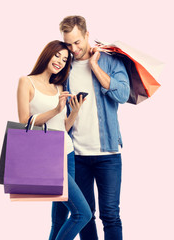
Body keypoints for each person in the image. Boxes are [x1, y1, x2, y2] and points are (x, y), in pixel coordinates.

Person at [59, 15, 130, 240]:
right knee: (85, 215)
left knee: (110, 215)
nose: (73, 49)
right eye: (68, 44)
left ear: (87, 35)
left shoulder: (109, 61)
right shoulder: (65, 67)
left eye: (77, 42)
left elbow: (123, 94)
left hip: (108, 154)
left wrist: (94, 67)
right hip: (76, 155)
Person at [16, 40, 92, 240]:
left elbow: (62, 127)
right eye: (57, 55)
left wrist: (73, 112)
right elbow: (25, 121)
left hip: (67, 152)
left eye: (65, 59)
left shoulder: (59, 87)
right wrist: (55, 110)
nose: (60, 61)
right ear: (47, 53)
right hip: (47, 157)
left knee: (60, 219)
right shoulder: (26, 81)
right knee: (83, 214)